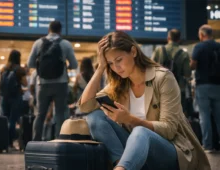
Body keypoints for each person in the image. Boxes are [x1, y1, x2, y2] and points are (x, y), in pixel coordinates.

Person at [78, 31, 210, 170]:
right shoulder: (119, 85)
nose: (116, 68)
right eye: (110, 63)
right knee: (95, 116)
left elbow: (169, 130)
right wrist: (100, 68)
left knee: (141, 131)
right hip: (135, 154)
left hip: (170, 151)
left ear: (133, 51)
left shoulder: (163, 78)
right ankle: (121, 165)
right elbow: (85, 106)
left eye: (119, 60)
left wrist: (130, 119)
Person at [27, 20, 78, 140]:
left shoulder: (38, 43)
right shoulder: (65, 44)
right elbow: (75, 65)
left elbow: (30, 64)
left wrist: (42, 65)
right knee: (60, 114)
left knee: (40, 114)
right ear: (60, 31)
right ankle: (60, 141)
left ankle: (35, 141)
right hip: (61, 84)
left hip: (43, 84)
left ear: (48, 29)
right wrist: (65, 66)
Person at [191, 24, 220, 152]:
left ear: (202, 35)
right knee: (219, 116)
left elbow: (193, 65)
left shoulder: (199, 46)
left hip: (203, 85)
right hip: (218, 85)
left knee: (205, 116)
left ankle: (208, 145)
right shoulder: (218, 46)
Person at [152, 29, 191, 115]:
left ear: (168, 38)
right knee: (178, 114)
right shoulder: (184, 54)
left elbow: (150, 68)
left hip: (160, 87)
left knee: (161, 114)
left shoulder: (159, 50)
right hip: (178, 89)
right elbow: (187, 73)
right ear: (179, 39)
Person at [0, 50, 27, 149]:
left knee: (5, 120)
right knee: (13, 120)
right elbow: (25, 83)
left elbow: (0, 85)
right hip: (15, 97)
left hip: (4, 98)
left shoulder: (4, 69)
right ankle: (11, 142)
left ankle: (5, 143)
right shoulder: (19, 69)